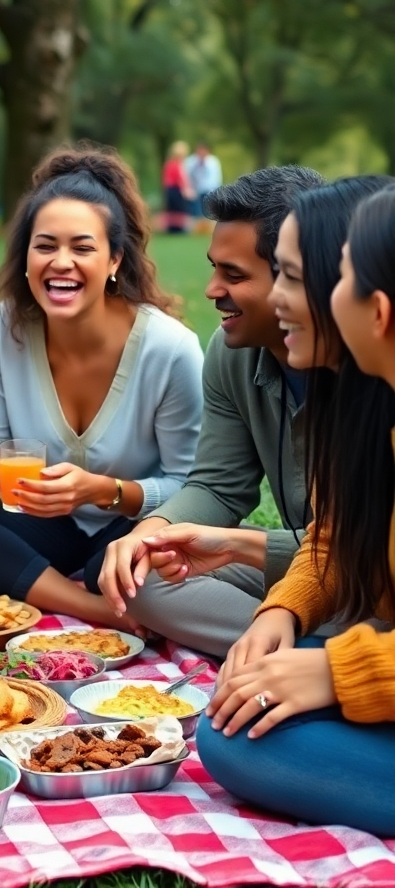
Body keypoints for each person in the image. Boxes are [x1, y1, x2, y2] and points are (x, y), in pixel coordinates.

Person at [0, 146, 203, 630]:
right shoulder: (3, 328)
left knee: (111, 568)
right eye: (45, 246)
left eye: (82, 248)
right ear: (25, 257)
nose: (61, 263)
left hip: (126, 528)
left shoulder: (169, 349)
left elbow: (194, 487)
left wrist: (104, 490)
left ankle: (45, 582)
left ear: (115, 259)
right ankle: (86, 606)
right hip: (40, 530)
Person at [196, 184, 395, 838]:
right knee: (238, 712)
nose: (274, 298)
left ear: (378, 308)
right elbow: (338, 534)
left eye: (291, 276)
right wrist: (285, 608)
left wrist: (340, 673)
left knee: (242, 735)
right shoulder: (367, 406)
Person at [99, 166, 326, 657]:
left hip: (368, 571)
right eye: (214, 267)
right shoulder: (230, 351)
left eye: (234, 274)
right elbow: (218, 485)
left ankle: (317, 658)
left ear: (300, 274)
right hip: (308, 564)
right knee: (150, 576)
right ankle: (299, 649)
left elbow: (367, 552)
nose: (211, 289)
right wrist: (151, 534)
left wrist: (245, 547)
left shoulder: (371, 364)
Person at [162, 141, 196, 234]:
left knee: (173, 210)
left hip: (170, 190)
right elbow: (180, 180)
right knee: (180, 210)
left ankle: (172, 228)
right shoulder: (176, 165)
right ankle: (179, 229)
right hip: (176, 190)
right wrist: (187, 191)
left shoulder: (169, 164)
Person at [185, 143, 223, 221]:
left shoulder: (213, 161)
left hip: (209, 189)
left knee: (208, 210)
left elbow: (217, 177)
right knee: (196, 210)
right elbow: (187, 176)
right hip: (195, 190)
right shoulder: (190, 161)